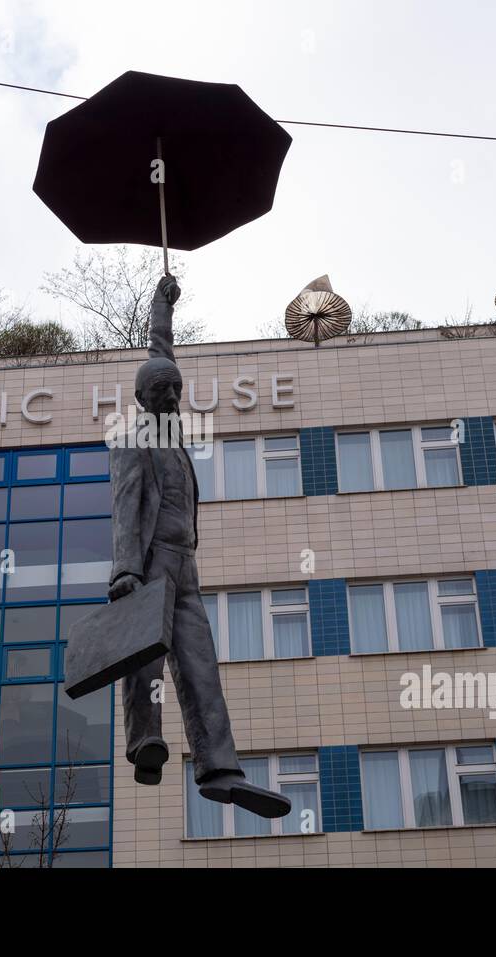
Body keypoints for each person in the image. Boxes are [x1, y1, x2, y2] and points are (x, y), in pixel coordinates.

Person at [108, 274, 290, 819]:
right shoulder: (132, 438)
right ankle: (145, 744)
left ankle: (220, 769)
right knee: (144, 657)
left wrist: (162, 305)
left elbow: (161, 350)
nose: (170, 396)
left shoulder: (173, 435)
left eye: (174, 390)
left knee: (200, 666)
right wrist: (125, 570)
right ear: (141, 397)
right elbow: (125, 505)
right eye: (160, 390)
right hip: (149, 563)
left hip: (186, 568)